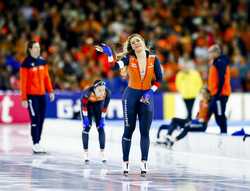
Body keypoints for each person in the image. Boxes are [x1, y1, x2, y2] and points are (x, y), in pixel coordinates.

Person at [97, 33, 163, 176]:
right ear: (131, 46)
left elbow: (159, 79)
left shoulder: (153, 58)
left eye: (138, 41)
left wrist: (150, 92)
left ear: (143, 42)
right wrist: (109, 54)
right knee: (129, 129)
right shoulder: (128, 58)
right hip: (130, 96)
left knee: (144, 131)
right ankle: (125, 162)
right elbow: (113, 67)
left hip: (146, 97)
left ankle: (144, 163)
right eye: (133, 43)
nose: (136, 44)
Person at [20, 41, 55, 154]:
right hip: (31, 97)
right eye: (35, 47)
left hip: (42, 95)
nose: (37, 49)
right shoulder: (26, 63)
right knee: (34, 119)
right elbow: (23, 83)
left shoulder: (42, 61)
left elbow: (46, 78)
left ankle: (38, 142)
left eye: (38, 47)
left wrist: (50, 91)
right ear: (30, 49)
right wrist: (24, 98)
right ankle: (35, 143)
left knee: (41, 119)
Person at [80, 80, 111, 163]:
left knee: (100, 128)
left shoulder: (107, 93)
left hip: (98, 106)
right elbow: (83, 106)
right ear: (94, 88)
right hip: (87, 107)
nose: (102, 92)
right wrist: (86, 117)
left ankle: (102, 151)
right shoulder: (87, 93)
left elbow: (105, 107)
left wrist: (102, 118)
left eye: (103, 90)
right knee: (87, 127)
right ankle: (86, 152)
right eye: (99, 90)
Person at [208, 44, 231, 134]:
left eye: (210, 53)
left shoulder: (220, 62)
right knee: (217, 112)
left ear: (216, 52)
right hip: (217, 93)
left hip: (220, 94)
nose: (209, 55)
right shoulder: (218, 61)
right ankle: (223, 131)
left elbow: (222, 78)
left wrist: (218, 92)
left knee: (219, 114)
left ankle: (224, 132)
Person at [176, 54, 203, 120]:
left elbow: (199, 82)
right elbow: (177, 84)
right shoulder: (180, 74)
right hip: (184, 94)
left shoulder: (194, 73)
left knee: (190, 109)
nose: (185, 68)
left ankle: (189, 118)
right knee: (188, 109)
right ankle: (189, 118)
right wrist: (181, 91)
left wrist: (198, 90)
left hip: (193, 94)